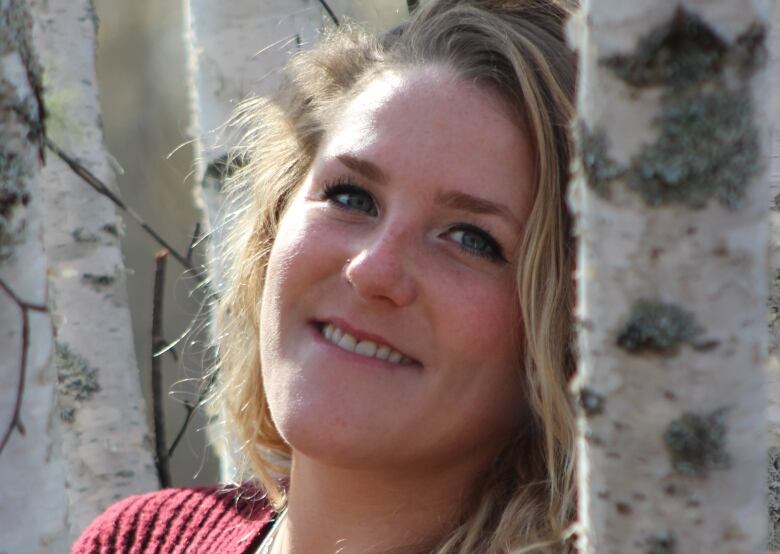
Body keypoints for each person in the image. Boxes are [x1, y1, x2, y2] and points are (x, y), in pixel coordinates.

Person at [73, 0, 578, 552]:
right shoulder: (143, 541)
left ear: (571, 331)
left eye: (470, 238)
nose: (371, 269)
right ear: (274, 226)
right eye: (351, 196)